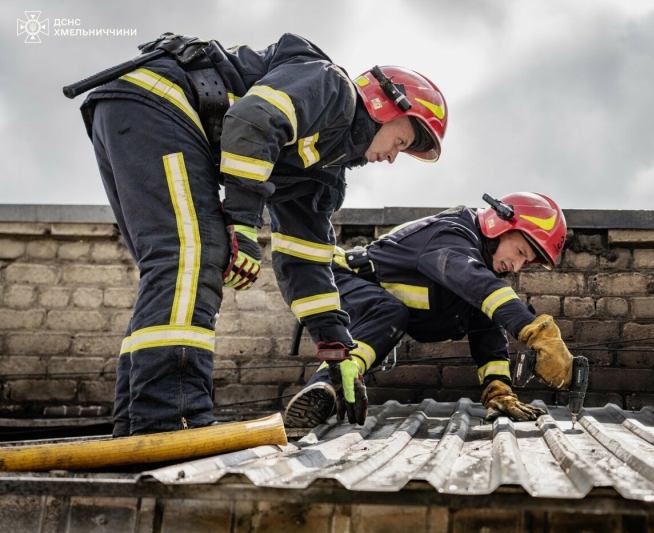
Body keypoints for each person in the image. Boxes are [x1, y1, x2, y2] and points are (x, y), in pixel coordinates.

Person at [79, 32, 447, 436]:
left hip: (131, 111)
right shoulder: (331, 87)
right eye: (403, 140)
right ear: (385, 103)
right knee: (195, 257)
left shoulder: (323, 171)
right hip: (159, 102)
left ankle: (135, 422)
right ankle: (169, 418)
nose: (394, 156)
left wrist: (337, 347)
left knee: (175, 268)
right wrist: (241, 223)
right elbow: (254, 120)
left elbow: (304, 259)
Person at [284, 192, 573, 427]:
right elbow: (478, 283)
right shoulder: (452, 234)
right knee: (389, 312)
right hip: (341, 280)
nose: (517, 266)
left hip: (379, 303)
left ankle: (332, 385)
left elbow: (489, 335)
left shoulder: (477, 274)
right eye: (521, 252)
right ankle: (324, 387)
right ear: (501, 225)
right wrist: (535, 332)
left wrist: (500, 391)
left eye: (527, 261)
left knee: (409, 311)